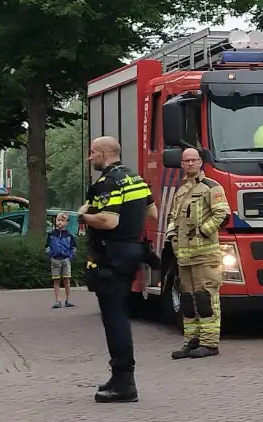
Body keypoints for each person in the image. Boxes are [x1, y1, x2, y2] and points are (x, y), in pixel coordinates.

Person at [81, 136, 157, 403]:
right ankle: (119, 378)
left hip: (112, 255)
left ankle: (124, 382)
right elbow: (152, 213)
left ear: (104, 153)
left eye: (92, 153)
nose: (90, 158)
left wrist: (83, 216)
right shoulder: (134, 179)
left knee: (115, 319)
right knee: (119, 314)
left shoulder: (108, 182)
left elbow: (109, 221)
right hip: (133, 251)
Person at [167, 147, 229, 360]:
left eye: (194, 160)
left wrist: (203, 231)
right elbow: (174, 217)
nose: (190, 163)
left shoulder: (212, 187)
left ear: (201, 162)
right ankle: (191, 342)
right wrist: (171, 236)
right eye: (186, 161)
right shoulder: (181, 191)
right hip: (184, 257)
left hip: (205, 256)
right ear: (182, 164)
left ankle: (210, 344)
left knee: (205, 299)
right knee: (187, 301)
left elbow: (223, 214)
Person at [47, 211, 77, 309]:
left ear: (66, 223)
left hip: (65, 260)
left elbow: (74, 247)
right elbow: (47, 246)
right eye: (58, 220)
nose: (60, 222)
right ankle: (57, 300)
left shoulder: (69, 235)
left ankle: (68, 300)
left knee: (67, 280)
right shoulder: (51, 234)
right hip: (55, 260)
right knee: (56, 280)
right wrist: (50, 255)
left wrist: (70, 256)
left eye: (62, 220)